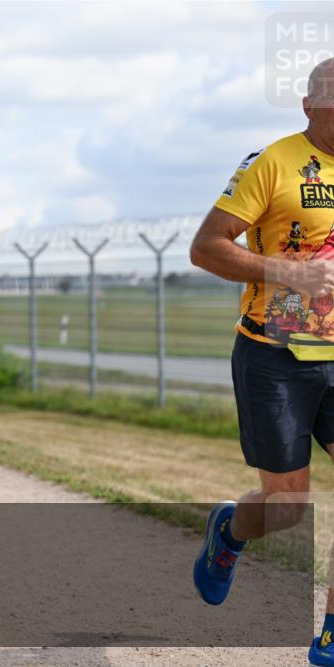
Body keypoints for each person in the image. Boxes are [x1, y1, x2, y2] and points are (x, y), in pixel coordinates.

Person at [189, 58, 334, 666]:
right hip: (275, 355)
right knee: (286, 507)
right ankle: (229, 532)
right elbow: (206, 248)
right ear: (310, 105)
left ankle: (331, 634)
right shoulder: (271, 163)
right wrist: (288, 273)